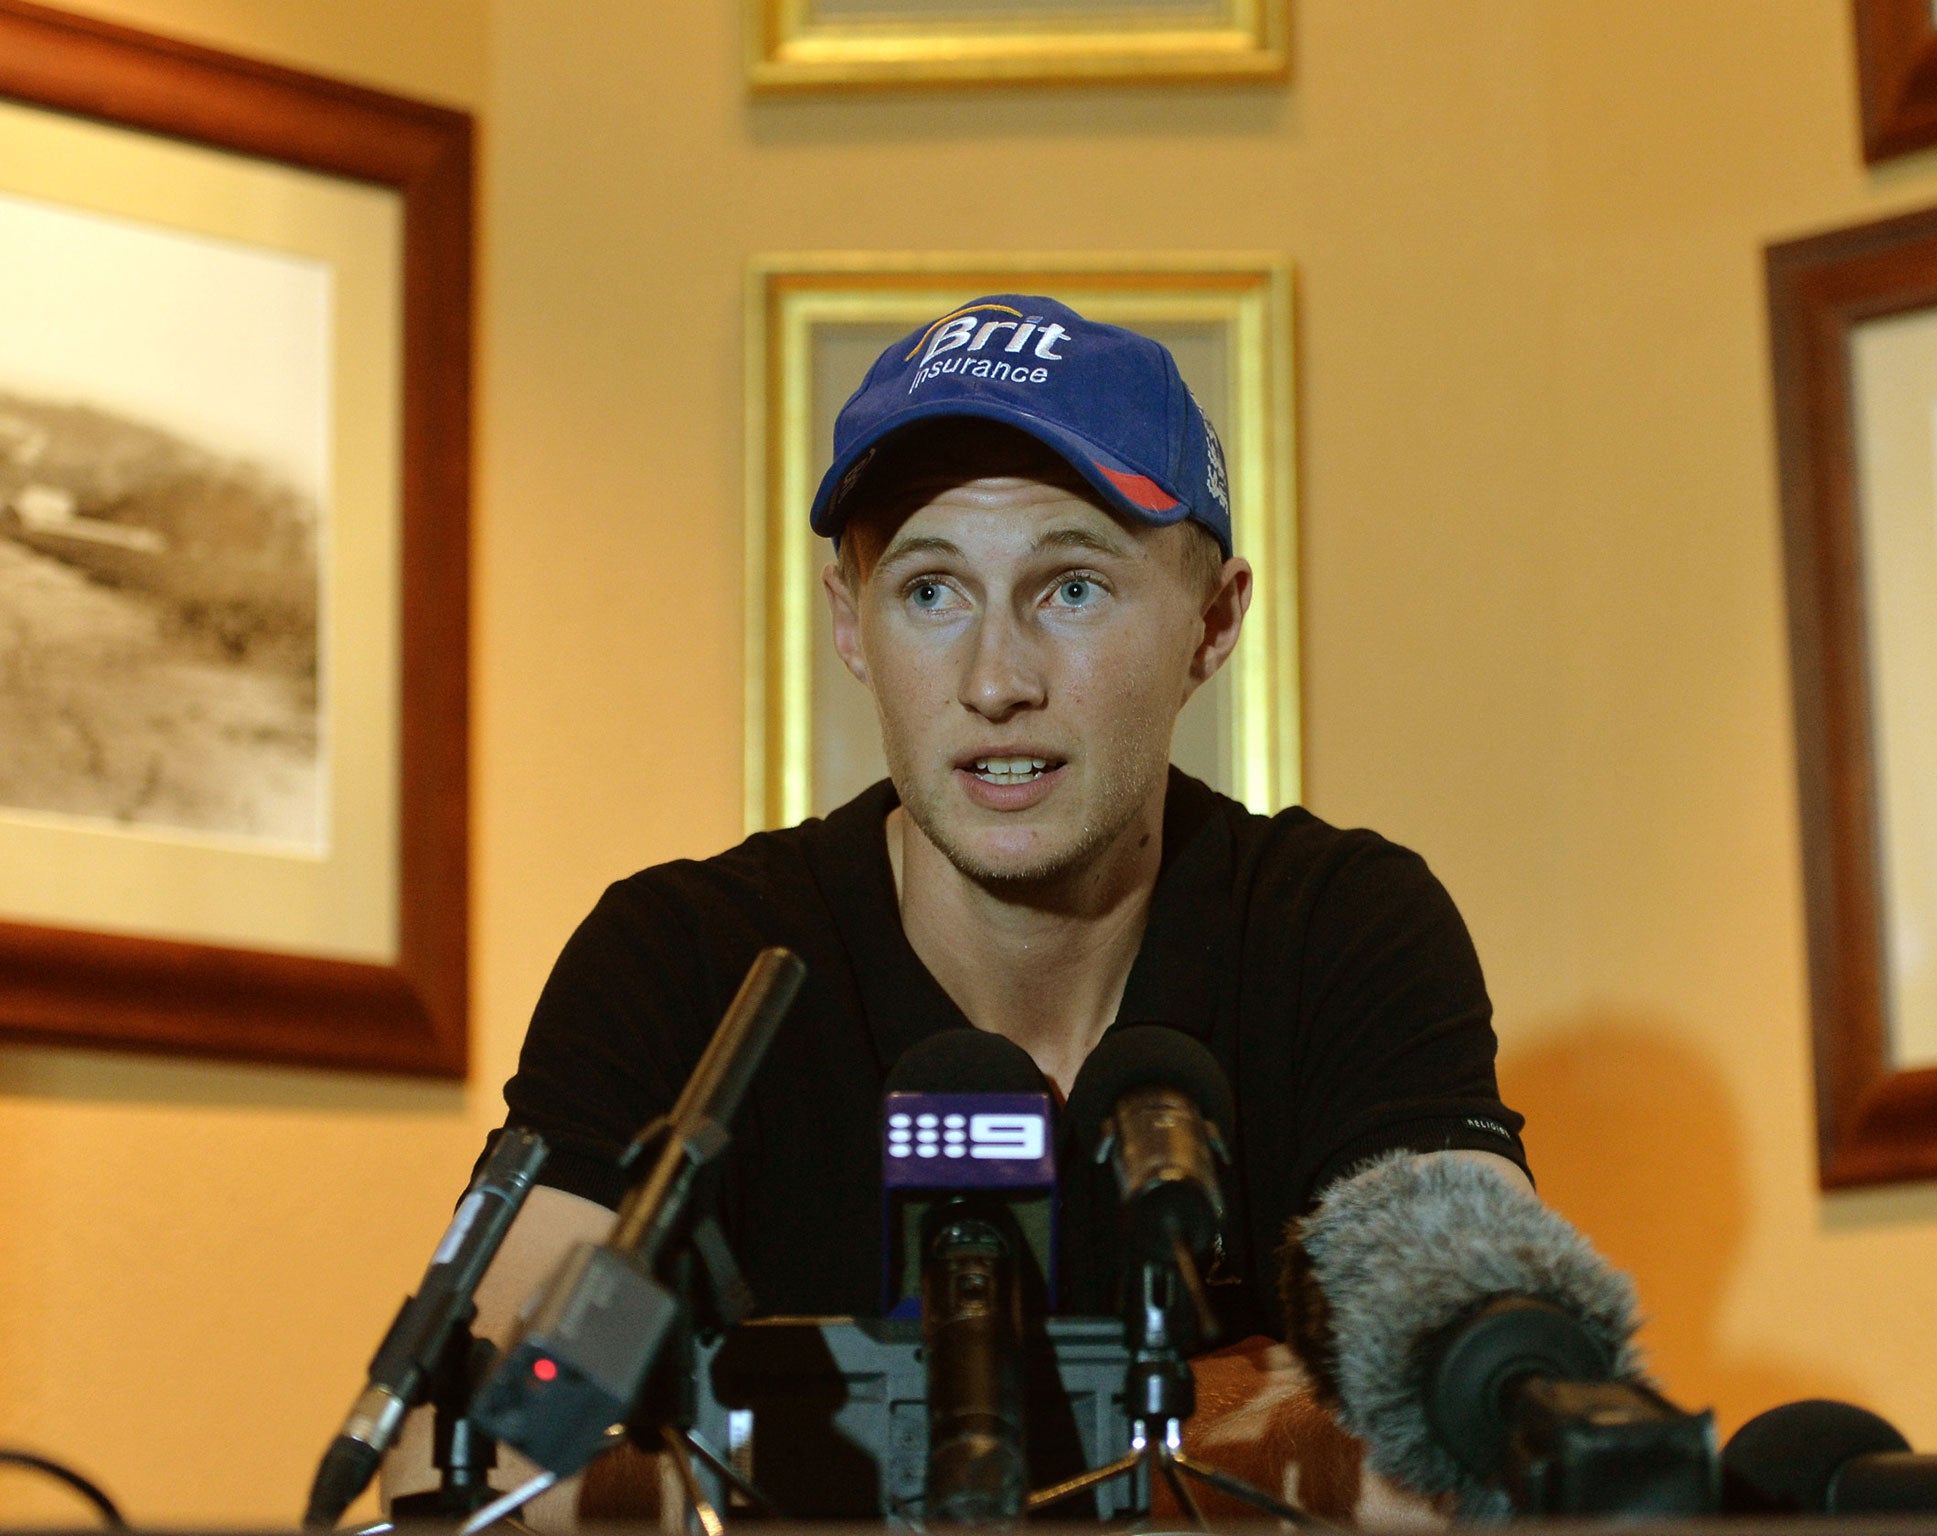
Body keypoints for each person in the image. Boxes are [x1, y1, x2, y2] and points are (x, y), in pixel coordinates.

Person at [389, 295, 1531, 1522]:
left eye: (1073, 589)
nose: (995, 681)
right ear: (849, 623)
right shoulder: (686, 959)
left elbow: (1484, 1435)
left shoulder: (1339, 930)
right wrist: (1231, 1406)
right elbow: (456, 1464)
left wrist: (808, 1424)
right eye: (931, 592)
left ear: (1211, 623)